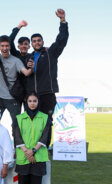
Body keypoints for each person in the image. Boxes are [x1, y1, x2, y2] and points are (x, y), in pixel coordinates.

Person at [26, 9, 69, 147]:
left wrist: (62, 21)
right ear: (31, 44)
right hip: (33, 96)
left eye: (39, 41)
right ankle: (32, 146)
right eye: (34, 41)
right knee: (32, 122)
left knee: (46, 122)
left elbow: (62, 40)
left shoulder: (51, 53)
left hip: (48, 94)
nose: (37, 43)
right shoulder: (29, 57)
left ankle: (44, 146)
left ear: (42, 41)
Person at [13, 92, 51, 184]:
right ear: (26, 103)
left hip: (38, 158)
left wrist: (34, 151)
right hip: (24, 158)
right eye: (30, 101)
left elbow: (45, 136)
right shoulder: (18, 118)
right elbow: (17, 136)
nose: (32, 103)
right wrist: (27, 152)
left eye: (35, 101)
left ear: (38, 102)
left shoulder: (45, 117)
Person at [0, 35, 33, 130]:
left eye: (7, 46)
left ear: (10, 46)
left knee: (16, 125)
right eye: (2, 46)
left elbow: (26, 73)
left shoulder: (16, 60)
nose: (4, 48)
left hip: (13, 99)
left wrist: (31, 68)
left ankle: (18, 145)